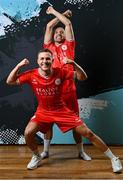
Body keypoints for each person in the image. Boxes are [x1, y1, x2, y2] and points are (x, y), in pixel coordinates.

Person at [6, 48, 122, 173]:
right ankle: (36, 156)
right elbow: (10, 81)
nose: (45, 61)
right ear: (37, 61)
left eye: (47, 59)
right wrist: (19, 65)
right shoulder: (31, 74)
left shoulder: (60, 72)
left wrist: (74, 64)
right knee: (28, 133)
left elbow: (83, 77)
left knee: (88, 133)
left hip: (61, 110)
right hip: (43, 112)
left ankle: (114, 158)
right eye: (42, 59)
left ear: (52, 60)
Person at [41, 6, 91, 161]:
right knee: (48, 122)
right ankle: (46, 151)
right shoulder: (48, 48)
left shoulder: (69, 46)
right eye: (57, 32)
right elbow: (50, 26)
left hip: (69, 90)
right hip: (51, 91)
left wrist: (56, 13)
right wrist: (60, 14)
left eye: (61, 32)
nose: (58, 33)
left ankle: (81, 152)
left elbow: (67, 24)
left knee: (75, 123)